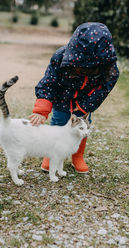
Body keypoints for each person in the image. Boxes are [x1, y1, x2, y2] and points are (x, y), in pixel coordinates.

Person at [29, 22, 119, 173]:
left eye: (87, 70)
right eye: (78, 69)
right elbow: (49, 82)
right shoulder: (60, 58)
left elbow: (103, 89)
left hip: (84, 101)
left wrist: (86, 106)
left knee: (81, 127)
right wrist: (42, 108)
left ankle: (77, 156)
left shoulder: (109, 70)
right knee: (58, 124)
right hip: (62, 98)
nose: (81, 72)